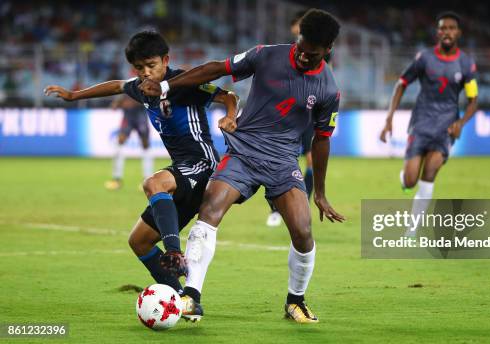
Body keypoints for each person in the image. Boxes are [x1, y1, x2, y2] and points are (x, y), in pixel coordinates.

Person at [139, 9, 344, 324]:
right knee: (210, 212)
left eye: (311, 53)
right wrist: (168, 86)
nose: (302, 55)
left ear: (328, 49)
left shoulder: (329, 89)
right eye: (300, 46)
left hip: (283, 161)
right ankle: (191, 296)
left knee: (303, 233)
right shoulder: (266, 55)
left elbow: (322, 139)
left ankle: (295, 301)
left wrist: (322, 192)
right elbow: (214, 69)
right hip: (243, 151)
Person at [44, 30, 238, 322]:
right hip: (182, 170)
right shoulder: (142, 87)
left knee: (152, 182)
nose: (147, 73)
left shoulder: (185, 82)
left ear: (166, 60)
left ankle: (174, 253)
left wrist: (230, 115)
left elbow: (228, 95)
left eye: (152, 65)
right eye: (140, 68)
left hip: (202, 164)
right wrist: (74, 95)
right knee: (139, 241)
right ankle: (183, 302)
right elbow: (117, 86)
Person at [379, 11, 478, 235]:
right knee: (411, 180)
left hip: (446, 127)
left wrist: (461, 122)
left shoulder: (466, 63)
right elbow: (401, 84)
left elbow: (473, 101)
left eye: (452, 28)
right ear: (437, 32)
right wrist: (389, 119)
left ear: (458, 33)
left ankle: (412, 229)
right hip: (421, 123)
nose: (447, 32)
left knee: (431, 171)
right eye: (443, 28)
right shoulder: (424, 58)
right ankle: (404, 179)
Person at [266, 9, 314, 227]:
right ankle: (275, 209)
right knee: (277, 162)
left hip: (309, 117)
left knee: (311, 163)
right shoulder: (287, 53)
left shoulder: (317, 54)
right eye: (297, 26)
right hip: (287, 116)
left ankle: (304, 205)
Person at [104, 94, 154, 190]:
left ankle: (148, 180)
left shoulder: (142, 84)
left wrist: (132, 103)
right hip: (128, 117)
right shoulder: (125, 87)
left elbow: (147, 99)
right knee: (119, 142)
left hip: (140, 116)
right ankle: (116, 179)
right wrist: (117, 104)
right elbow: (115, 104)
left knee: (145, 145)